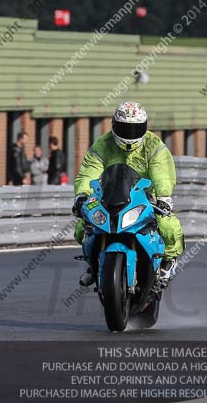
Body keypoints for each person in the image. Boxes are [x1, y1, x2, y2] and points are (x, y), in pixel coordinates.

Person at [72, 101, 184, 288]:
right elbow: (89, 172)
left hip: (145, 197)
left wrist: (164, 197)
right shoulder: (103, 145)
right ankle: (93, 264)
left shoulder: (153, 145)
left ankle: (168, 261)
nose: (130, 135)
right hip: (108, 196)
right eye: (125, 128)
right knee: (82, 226)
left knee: (168, 225)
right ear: (114, 126)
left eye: (135, 129)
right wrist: (82, 195)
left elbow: (162, 173)